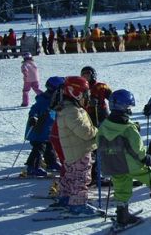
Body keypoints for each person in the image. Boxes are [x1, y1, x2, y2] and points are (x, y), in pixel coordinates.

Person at [98, 89, 151, 227]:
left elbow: (98, 141)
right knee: (148, 174)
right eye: (129, 107)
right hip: (128, 163)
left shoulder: (105, 124)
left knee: (121, 186)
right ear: (125, 107)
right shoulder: (128, 128)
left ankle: (122, 215)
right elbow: (137, 147)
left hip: (112, 163)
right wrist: (145, 158)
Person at [56, 76, 98, 215]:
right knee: (81, 178)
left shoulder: (68, 108)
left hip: (72, 150)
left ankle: (65, 197)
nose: (86, 98)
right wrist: (97, 131)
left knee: (70, 176)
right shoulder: (72, 112)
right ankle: (78, 204)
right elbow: (85, 133)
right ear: (75, 93)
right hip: (80, 150)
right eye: (85, 94)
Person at [24, 76, 64, 177]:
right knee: (39, 148)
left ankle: (51, 163)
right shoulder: (44, 100)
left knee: (50, 146)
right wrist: (33, 117)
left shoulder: (54, 99)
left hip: (47, 131)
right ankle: (32, 167)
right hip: (38, 130)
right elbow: (34, 110)